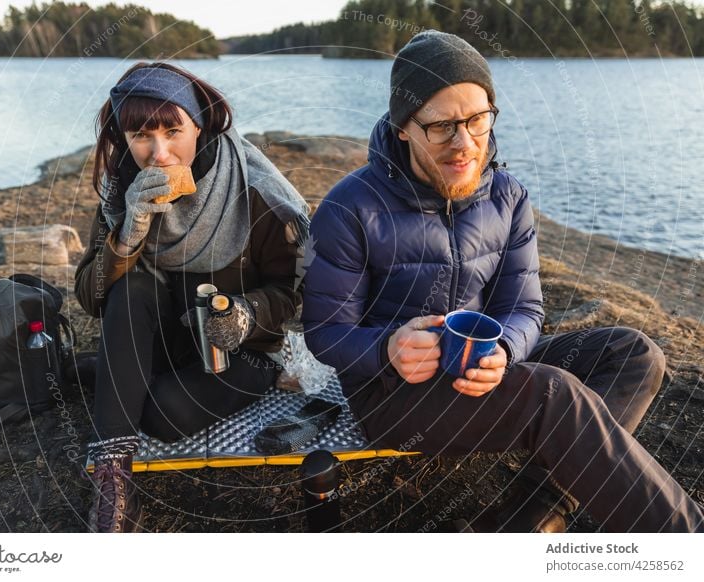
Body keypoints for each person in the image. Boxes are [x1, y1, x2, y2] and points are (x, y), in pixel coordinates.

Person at [301, 31, 704, 532]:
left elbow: (525, 309)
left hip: (477, 367)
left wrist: (507, 352)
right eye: (443, 125)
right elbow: (325, 332)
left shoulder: (508, 197)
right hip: (391, 392)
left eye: (477, 119)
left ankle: (530, 519)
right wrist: (387, 348)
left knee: (635, 354)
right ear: (403, 127)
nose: (465, 143)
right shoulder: (350, 207)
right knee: (553, 393)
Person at [74, 63, 309, 533]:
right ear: (124, 138)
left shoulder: (254, 192)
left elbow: (293, 294)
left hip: (241, 349)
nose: (159, 154)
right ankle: (113, 479)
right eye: (141, 135)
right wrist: (129, 231)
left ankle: (109, 374)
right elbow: (92, 296)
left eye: (172, 131)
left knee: (161, 414)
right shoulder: (122, 189)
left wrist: (247, 314)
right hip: (163, 330)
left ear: (199, 124)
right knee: (132, 286)